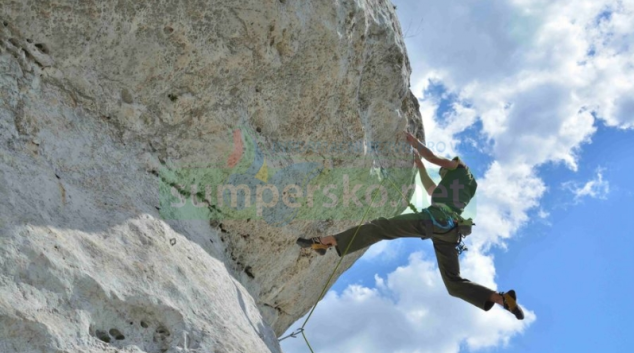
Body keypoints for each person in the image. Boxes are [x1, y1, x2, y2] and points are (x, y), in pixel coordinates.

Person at [297, 131, 525, 320]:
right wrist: (419, 167)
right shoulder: (461, 191)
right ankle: (501, 298)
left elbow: (435, 158)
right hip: (450, 233)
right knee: (454, 284)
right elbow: (430, 189)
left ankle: (328, 241)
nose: (442, 173)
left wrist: (416, 144)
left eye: (445, 171)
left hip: (434, 221)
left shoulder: (459, 167)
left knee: (381, 228)